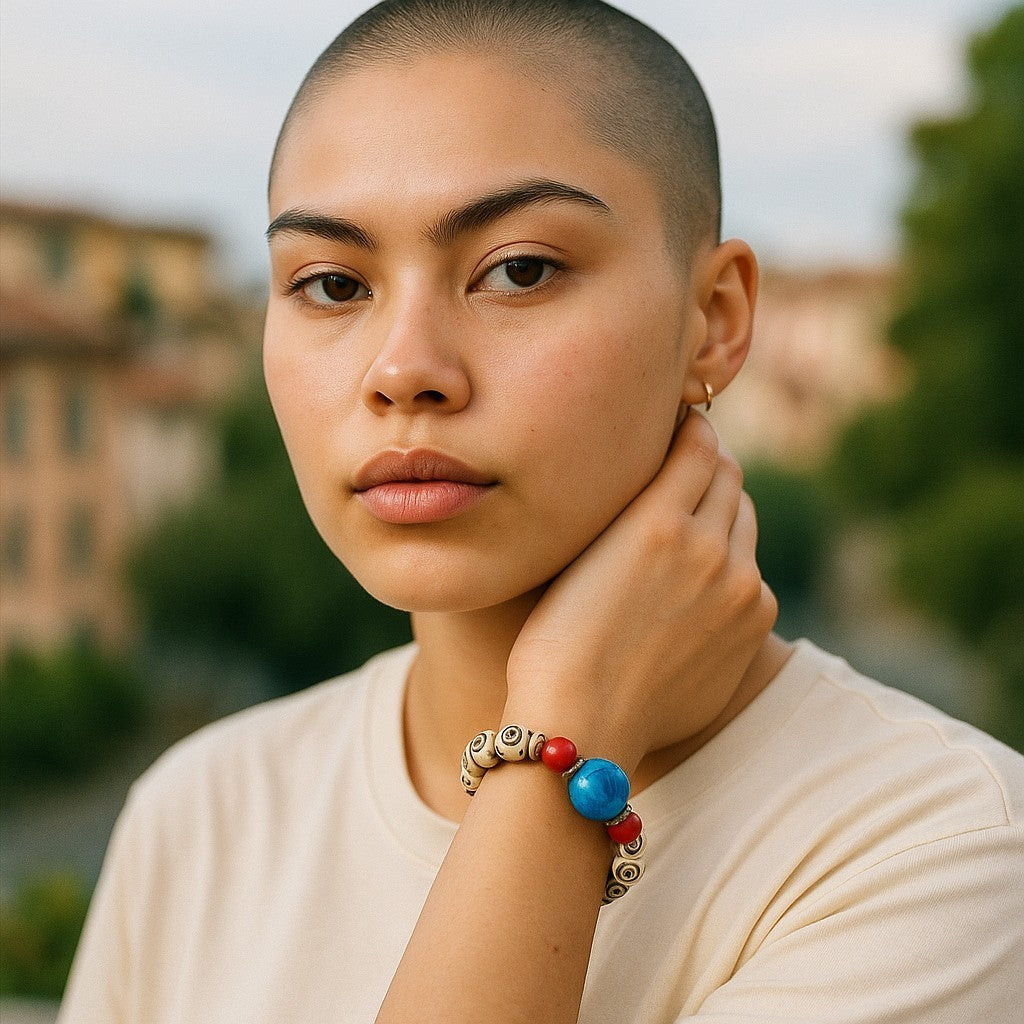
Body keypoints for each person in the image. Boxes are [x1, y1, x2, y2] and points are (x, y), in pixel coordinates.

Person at [60, 1, 1024, 1021]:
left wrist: (560, 739)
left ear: (715, 320)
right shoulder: (203, 813)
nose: (403, 370)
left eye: (519, 270)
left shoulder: (944, 854)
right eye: (334, 283)